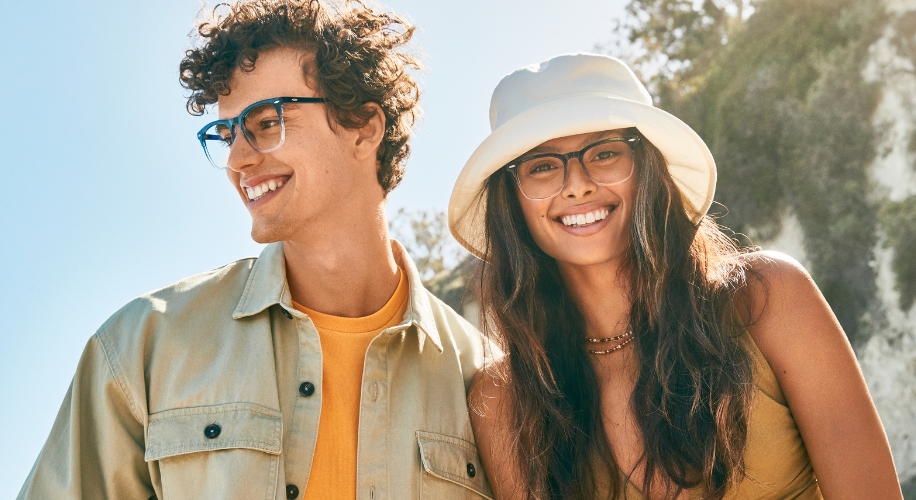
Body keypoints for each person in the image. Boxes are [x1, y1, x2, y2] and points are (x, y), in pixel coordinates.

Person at [18, 1, 494, 499]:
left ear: (364, 126)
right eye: (225, 135)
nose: (238, 160)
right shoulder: (143, 346)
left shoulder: (487, 380)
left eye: (266, 123)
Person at [448, 53, 902, 499]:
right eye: (542, 166)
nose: (577, 184)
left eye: (605, 153)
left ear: (648, 168)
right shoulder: (505, 402)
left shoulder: (767, 299)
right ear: (512, 199)